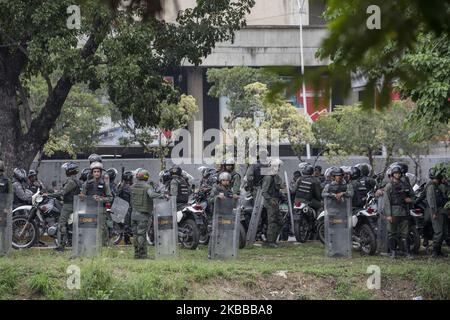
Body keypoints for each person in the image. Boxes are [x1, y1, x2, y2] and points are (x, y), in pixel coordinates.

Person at [130, 168, 163, 259]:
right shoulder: (147, 187)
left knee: (135, 234)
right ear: (146, 177)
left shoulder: (132, 186)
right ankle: (143, 255)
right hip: (143, 215)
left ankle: (136, 254)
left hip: (133, 214)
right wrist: (162, 195)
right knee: (141, 234)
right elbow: (152, 195)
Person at [383, 165, 415, 259]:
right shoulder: (389, 186)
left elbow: (413, 196)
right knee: (392, 233)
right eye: (395, 173)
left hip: (404, 212)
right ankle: (393, 252)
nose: (397, 175)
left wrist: (410, 200)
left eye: (399, 173)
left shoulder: (405, 185)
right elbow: (386, 201)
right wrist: (388, 214)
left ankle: (407, 253)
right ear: (392, 175)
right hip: (393, 213)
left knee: (405, 233)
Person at [49, 162, 82, 252]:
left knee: (61, 224)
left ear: (69, 171)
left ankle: (62, 245)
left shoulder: (71, 181)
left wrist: (49, 195)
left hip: (69, 205)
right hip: (73, 204)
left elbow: (62, 192)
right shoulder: (77, 181)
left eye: (66, 170)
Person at [80, 161, 113, 246]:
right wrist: (83, 197)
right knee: (88, 229)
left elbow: (110, 198)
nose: (96, 173)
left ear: (101, 173)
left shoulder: (105, 184)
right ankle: (88, 247)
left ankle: (102, 247)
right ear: (92, 173)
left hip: (101, 210)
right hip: (89, 210)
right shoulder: (86, 184)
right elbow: (82, 197)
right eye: (94, 172)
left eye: (98, 171)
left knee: (102, 229)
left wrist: (101, 199)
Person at [426, 168, 449, 258]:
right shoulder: (431, 186)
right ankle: (435, 252)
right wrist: (434, 212)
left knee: (444, 232)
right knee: (438, 232)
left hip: (441, 211)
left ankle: (438, 251)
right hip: (436, 212)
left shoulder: (437, 186)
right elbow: (431, 201)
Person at [261, 159, 284, 248]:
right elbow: (264, 192)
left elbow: (279, 187)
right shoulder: (268, 177)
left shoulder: (275, 177)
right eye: (274, 166)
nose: (276, 168)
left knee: (280, 221)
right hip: (270, 202)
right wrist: (271, 200)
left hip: (275, 200)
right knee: (272, 222)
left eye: (277, 167)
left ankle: (271, 239)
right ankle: (270, 242)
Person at [117, 171, 134, 245]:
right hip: (128, 208)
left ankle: (127, 240)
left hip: (122, 207)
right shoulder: (129, 187)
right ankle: (127, 238)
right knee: (128, 225)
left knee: (126, 224)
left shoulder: (121, 186)